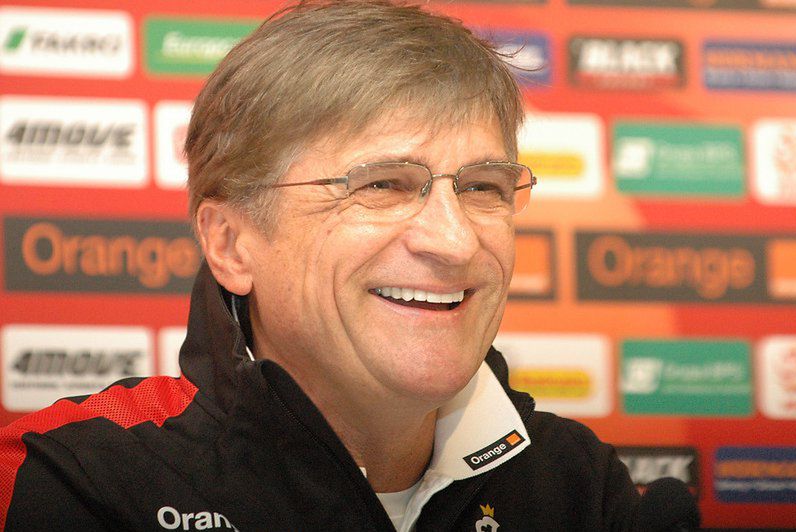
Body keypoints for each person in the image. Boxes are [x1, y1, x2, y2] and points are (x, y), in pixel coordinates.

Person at [0, 1, 640, 529]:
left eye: (482, 188)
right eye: (382, 185)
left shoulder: (583, 488)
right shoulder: (69, 480)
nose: (455, 242)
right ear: (231, 245)